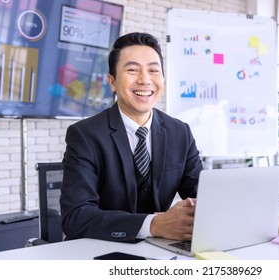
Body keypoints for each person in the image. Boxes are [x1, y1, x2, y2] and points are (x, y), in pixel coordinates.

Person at [60, 32, 204, 243]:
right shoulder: (84, 135)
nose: (145, 80)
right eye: (132, 70)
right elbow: (76, 217)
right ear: (112, 82)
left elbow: (204, 197)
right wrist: (153, 225)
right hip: (102, 251)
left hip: (161, 253)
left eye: (154, 70)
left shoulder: (180, 132)